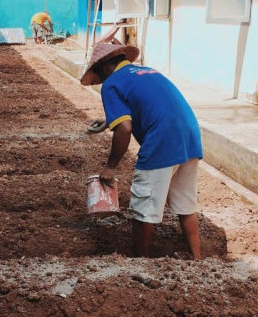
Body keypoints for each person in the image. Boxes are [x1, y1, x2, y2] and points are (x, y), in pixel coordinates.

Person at [80, 43, 204, 260]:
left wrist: (110, 167)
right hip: (190, 135)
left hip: (162, 139)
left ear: (103, 68)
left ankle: (140, 261)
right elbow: (147, 106)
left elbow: (125, 128)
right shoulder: (147, 71)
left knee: (144, 206)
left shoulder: (111, 84)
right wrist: (109, 122)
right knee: (186, 203)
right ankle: (197, 257)